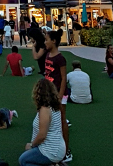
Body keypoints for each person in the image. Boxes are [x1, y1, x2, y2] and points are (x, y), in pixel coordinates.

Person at [19, 78, 66, 166]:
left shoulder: (45, 109)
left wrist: (32, 145)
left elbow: (42, 135)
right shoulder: (55, 107)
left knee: (23, 161)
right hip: (55, 148)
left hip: (51, 150)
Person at [44, 30, 70, 162]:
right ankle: (52, 146)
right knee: (49, 120)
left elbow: (64, 77)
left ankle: (66, 149)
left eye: (47, 39)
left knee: (61, 119)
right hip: (49, 92)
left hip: (59, 93)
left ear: (53, 41)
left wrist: (60, 94)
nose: (45, 42)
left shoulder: (60, 58)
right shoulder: (48, 55)